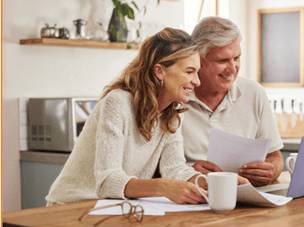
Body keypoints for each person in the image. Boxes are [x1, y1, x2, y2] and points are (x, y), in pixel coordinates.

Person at [46, 28, 228, 206]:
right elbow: (107, 181)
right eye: (189, 72)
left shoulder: (172, 111)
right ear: (159, 71)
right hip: (71, 205)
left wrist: (216, 183)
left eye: (197, 72)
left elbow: (175, 169)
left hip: (111, 209)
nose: (197, 81)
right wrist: (163, 187)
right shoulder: (117, 103)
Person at [182, 17, 284, 187]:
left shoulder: (254, 92)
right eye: (223, 61)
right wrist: (186, 173)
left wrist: (271, 170)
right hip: (193, 197)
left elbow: (275, 157)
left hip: (245, 199)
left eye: (236, 58)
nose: (232, 69)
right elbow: (151, 169)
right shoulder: (176, 96)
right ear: (198, 59)